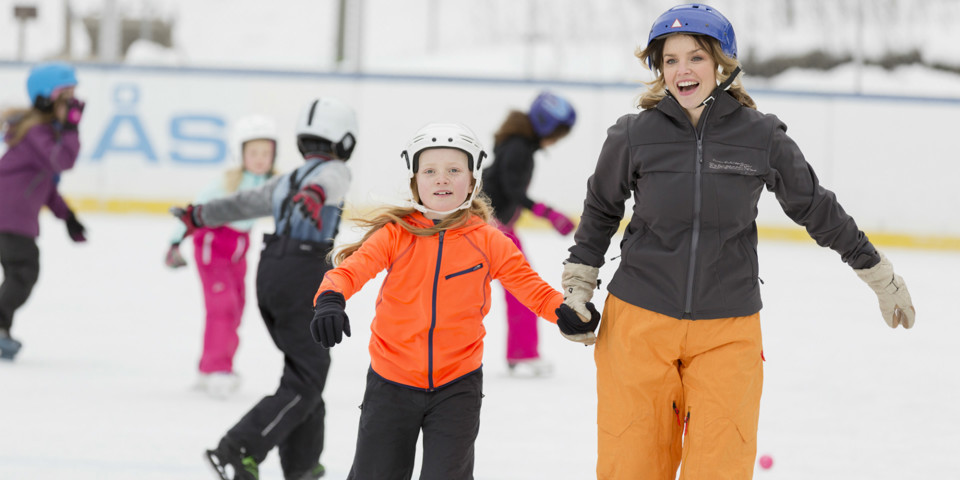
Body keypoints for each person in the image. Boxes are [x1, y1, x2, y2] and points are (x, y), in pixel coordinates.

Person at [559, 4, 917, 479]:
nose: (682, 70)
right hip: (639, 324)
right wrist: (578, 288)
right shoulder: (633, 135)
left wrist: (877, 273)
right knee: (631, 466)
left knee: (721, 467)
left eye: (696, 58)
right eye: (669, 60)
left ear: (722, 63)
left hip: (728, 329)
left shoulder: (760, 135)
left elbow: (816, 207)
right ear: (657, 69)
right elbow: (601, 211)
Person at [308, 123, 599, 480]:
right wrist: (330, 300)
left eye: (453, 170)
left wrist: (564, 311)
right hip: (391, 383)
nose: (441, 179)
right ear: (416, 180)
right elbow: (348, 272)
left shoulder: (489, 241)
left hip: (457, 387)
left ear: (472, 180)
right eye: (430, 171)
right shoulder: (396, 235)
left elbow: (532, 289)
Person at [173, 97, 358, 480]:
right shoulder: (334, 173)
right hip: (303, 275)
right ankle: (237, 448)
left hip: (271, 273)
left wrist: (198, 215)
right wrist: (316, 196)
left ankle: (302, 464)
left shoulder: (286, 179)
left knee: (305, 372)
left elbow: (244, 203)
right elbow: (329, 181)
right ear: (344, 141)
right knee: (307, 377)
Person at [164, 114, 278, 398]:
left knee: (237, 307)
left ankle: (209, 367)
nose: (261, 159)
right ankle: (217, 368)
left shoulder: (274, 182)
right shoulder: (226, 183)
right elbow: (193, 211)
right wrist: (175, 242)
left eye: (266, 152)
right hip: (212, 244)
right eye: (253, 152)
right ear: (239, 154)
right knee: (222, 306)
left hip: (239, 249)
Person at [480, 91, 578, 376]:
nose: (558, 140)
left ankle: (521, 352)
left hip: (494, 224)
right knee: (523, 289)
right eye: (559, 133)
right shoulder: (518, 148)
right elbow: (512, 190)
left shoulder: (515, 144)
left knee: (518, 288)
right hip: (492, 228)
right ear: (546, 126)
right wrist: (548, 214)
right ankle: (523, 353)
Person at [0, 62, 87, 361]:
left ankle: (2, 331)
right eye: (68, 98)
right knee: (23, 270)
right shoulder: (37, 132)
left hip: (11, 216)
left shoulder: (41, 133)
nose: (75, 105)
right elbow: (62, 161)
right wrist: (73, 129)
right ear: (44, 99)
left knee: (18, 272)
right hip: (8, 216)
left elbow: (46, 185)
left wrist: (68, 216)